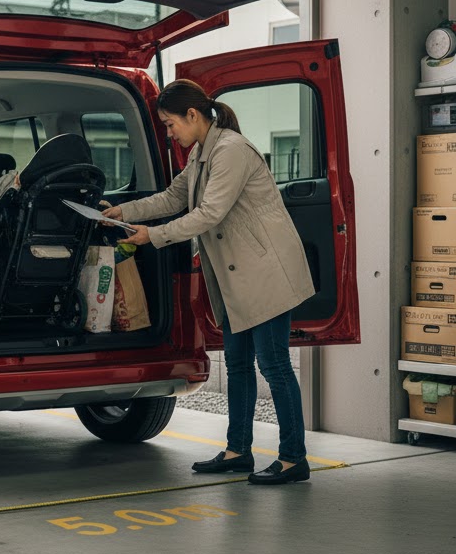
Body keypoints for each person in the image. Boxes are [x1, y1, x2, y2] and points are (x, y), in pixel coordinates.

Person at [100, 79, 315, 486]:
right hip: (238, 276)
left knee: (273, 365)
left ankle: (293, 458)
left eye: (170, 124)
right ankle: (238, 451)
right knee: (237, 364)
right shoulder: (202, 153)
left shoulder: (231, 150)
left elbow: (209, 213)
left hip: (265, 273)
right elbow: (171, 198)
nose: (169, 133)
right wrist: (122, 211)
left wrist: (153, 236)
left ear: (192, 115)